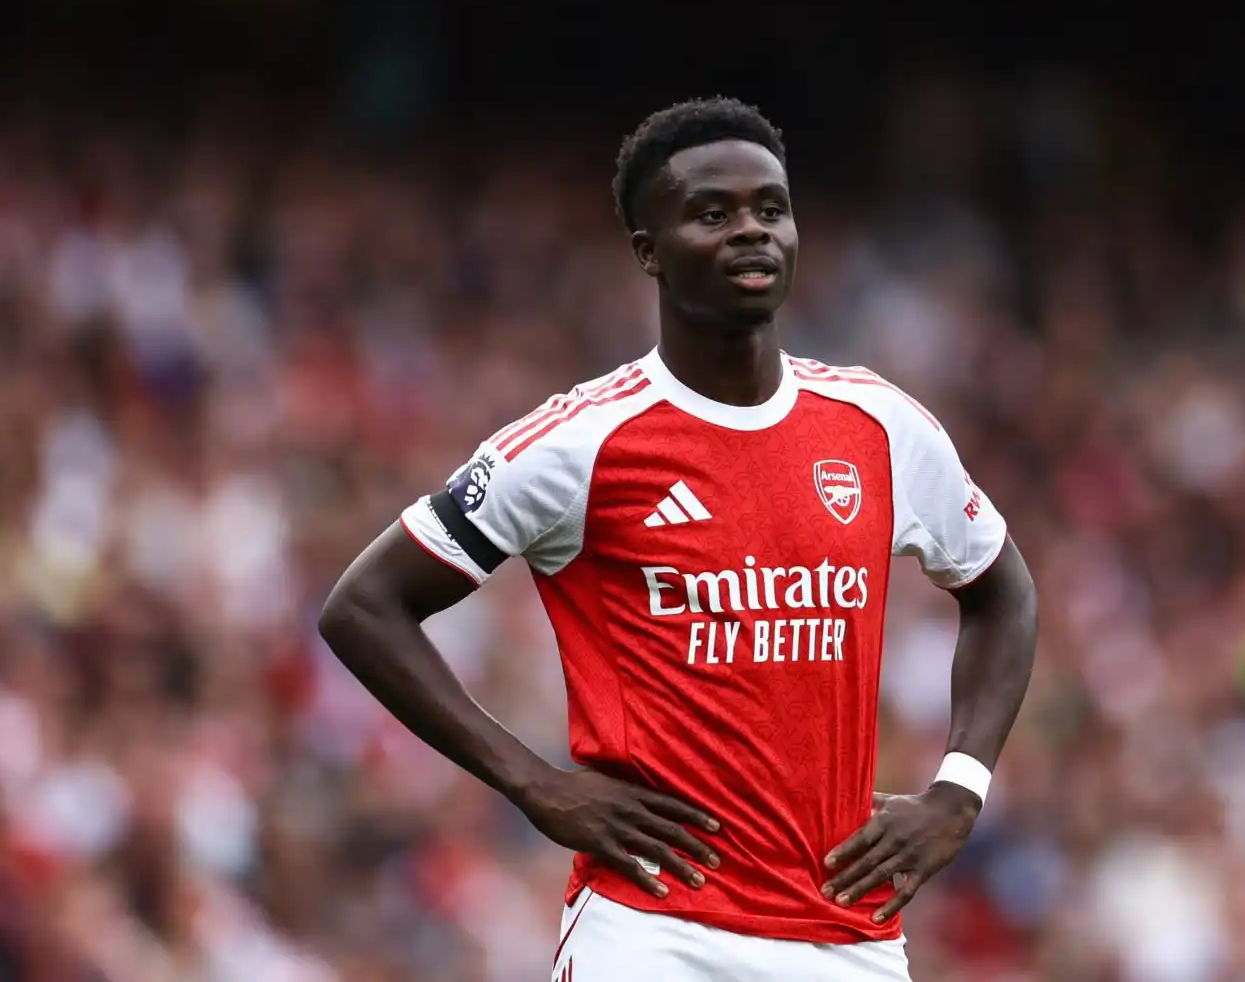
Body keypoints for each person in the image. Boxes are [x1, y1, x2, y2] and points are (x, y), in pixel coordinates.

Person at [317, 97, 1038, 981]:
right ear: (648, 251)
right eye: (712, 213)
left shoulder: (880, 427)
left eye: (770, 209)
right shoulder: (581, 442)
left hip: (848, 933)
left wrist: (960, 789)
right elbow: (365, 606)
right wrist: (533, 783)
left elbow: (1002, 589)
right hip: (655, 929)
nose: (752, 230)